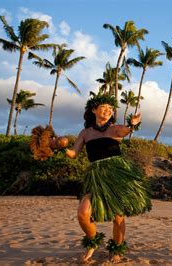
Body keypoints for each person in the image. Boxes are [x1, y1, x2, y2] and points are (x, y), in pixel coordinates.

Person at [64, 92, 152, 263]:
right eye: (104, 107)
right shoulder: (85, 133)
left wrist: (132, 124)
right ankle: (93, 241)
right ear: (94, 110)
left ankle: (117, 249)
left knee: (118, 216)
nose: (108, 111)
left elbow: (126, 131)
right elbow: (73, 153)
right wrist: (59, 148)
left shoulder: (115, 129)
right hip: (96, 176)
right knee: (83, 212)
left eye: (111, 108)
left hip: (116, 174)